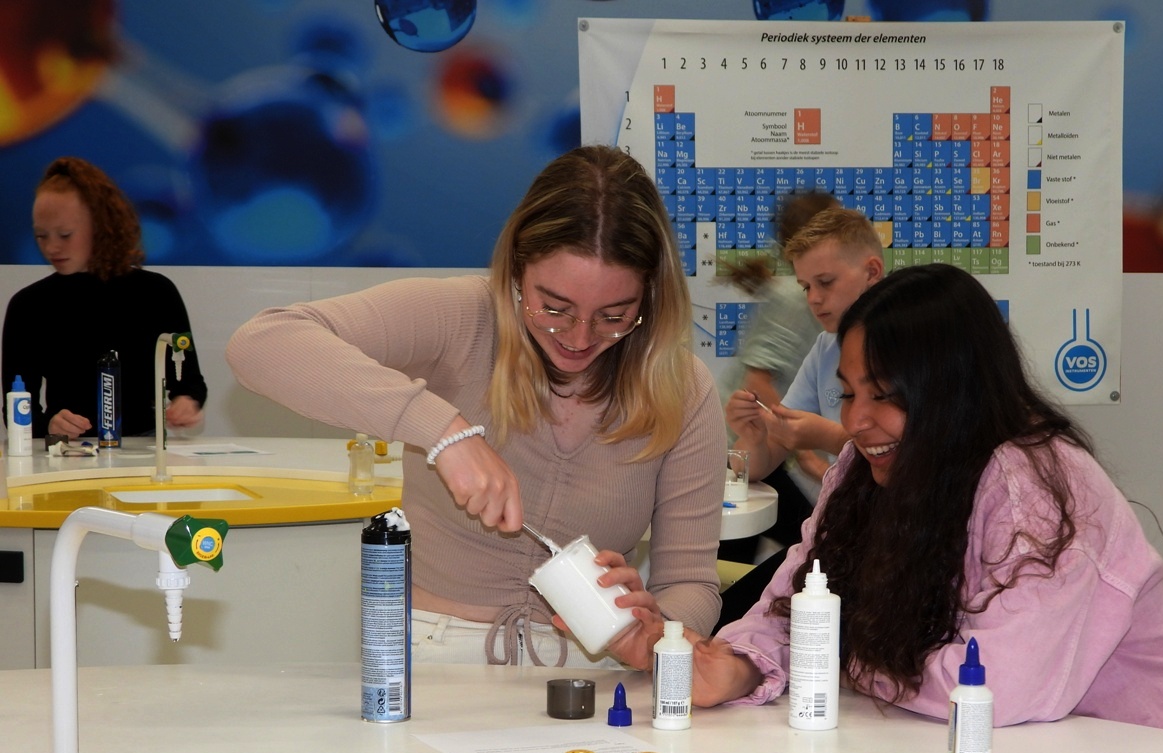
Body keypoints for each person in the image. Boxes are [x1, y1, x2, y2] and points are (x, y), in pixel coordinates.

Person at [604, 264, 1163, 739]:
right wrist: (735, 665)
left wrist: (844, 653)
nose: (857, 421)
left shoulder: (1038, 486)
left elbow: (997, 685)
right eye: (849, 394)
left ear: (955, 392)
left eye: (885, 395)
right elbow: (795, 605)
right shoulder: (862, 471)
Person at [226, 145, 725, 667]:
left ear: (650, 296)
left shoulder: (684, 389)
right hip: (431, 655)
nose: (579, 337)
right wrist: (444, 432)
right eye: (554, 308)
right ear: (516, 269)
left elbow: (691, 582)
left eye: (614, 316)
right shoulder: (461, 316)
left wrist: (658, 635)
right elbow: (262, 343)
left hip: (590, 670)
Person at [716, 206, 884, 629]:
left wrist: (825, 437)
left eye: (825, 283)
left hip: (891, 543)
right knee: (728, 618)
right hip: (840, 540)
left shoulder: (910, 343)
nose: (813, 299)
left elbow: (915, 454)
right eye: (806, 286)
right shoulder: (824, 348)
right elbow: (761, 461)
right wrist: (753, 434)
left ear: (872, 272)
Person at [3, 157, 207, 440]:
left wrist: (186, 402)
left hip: (142, 451)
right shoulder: (28, 305)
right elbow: (16, 408)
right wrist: (49, 425)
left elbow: (189, 380)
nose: (51, 247)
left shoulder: (157, 293)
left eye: (65, 234)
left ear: (101, 225)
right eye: (41, 236)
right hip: (64, 454)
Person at [715, 191, 839, 569]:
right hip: (739, 449)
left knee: (745, 557)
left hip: (754, 449)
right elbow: (756, 383)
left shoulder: (796, 293)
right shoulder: (796, 298)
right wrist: (802, 449)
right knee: (816, 548)